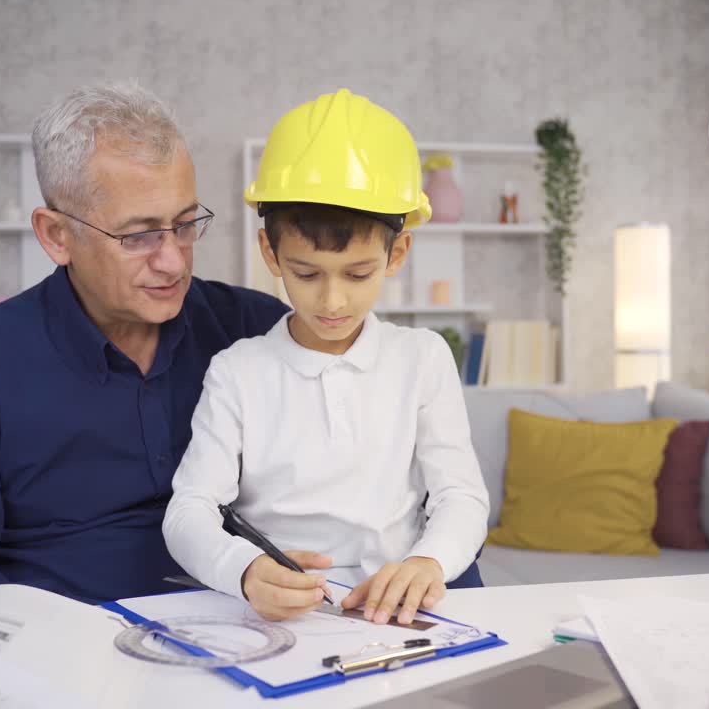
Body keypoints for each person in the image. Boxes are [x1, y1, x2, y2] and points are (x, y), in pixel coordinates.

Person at [0, 83, 288, 609]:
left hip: (254, 635)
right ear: (56, 235)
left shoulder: (257, 329)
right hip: (58, 655)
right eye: (139, 236)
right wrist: (50, 629)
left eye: (185, 224)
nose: (173, 261)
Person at [163, 89, 490, 627]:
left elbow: (461, 494)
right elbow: (188, 511)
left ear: (397, 253)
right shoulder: (238, 371)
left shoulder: (423, 357)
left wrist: (429, 561)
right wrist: (242, 570)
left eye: (358, 274)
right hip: (283, 615)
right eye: (307, 274)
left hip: (404, 608)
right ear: (271, 255)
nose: (333, 301)